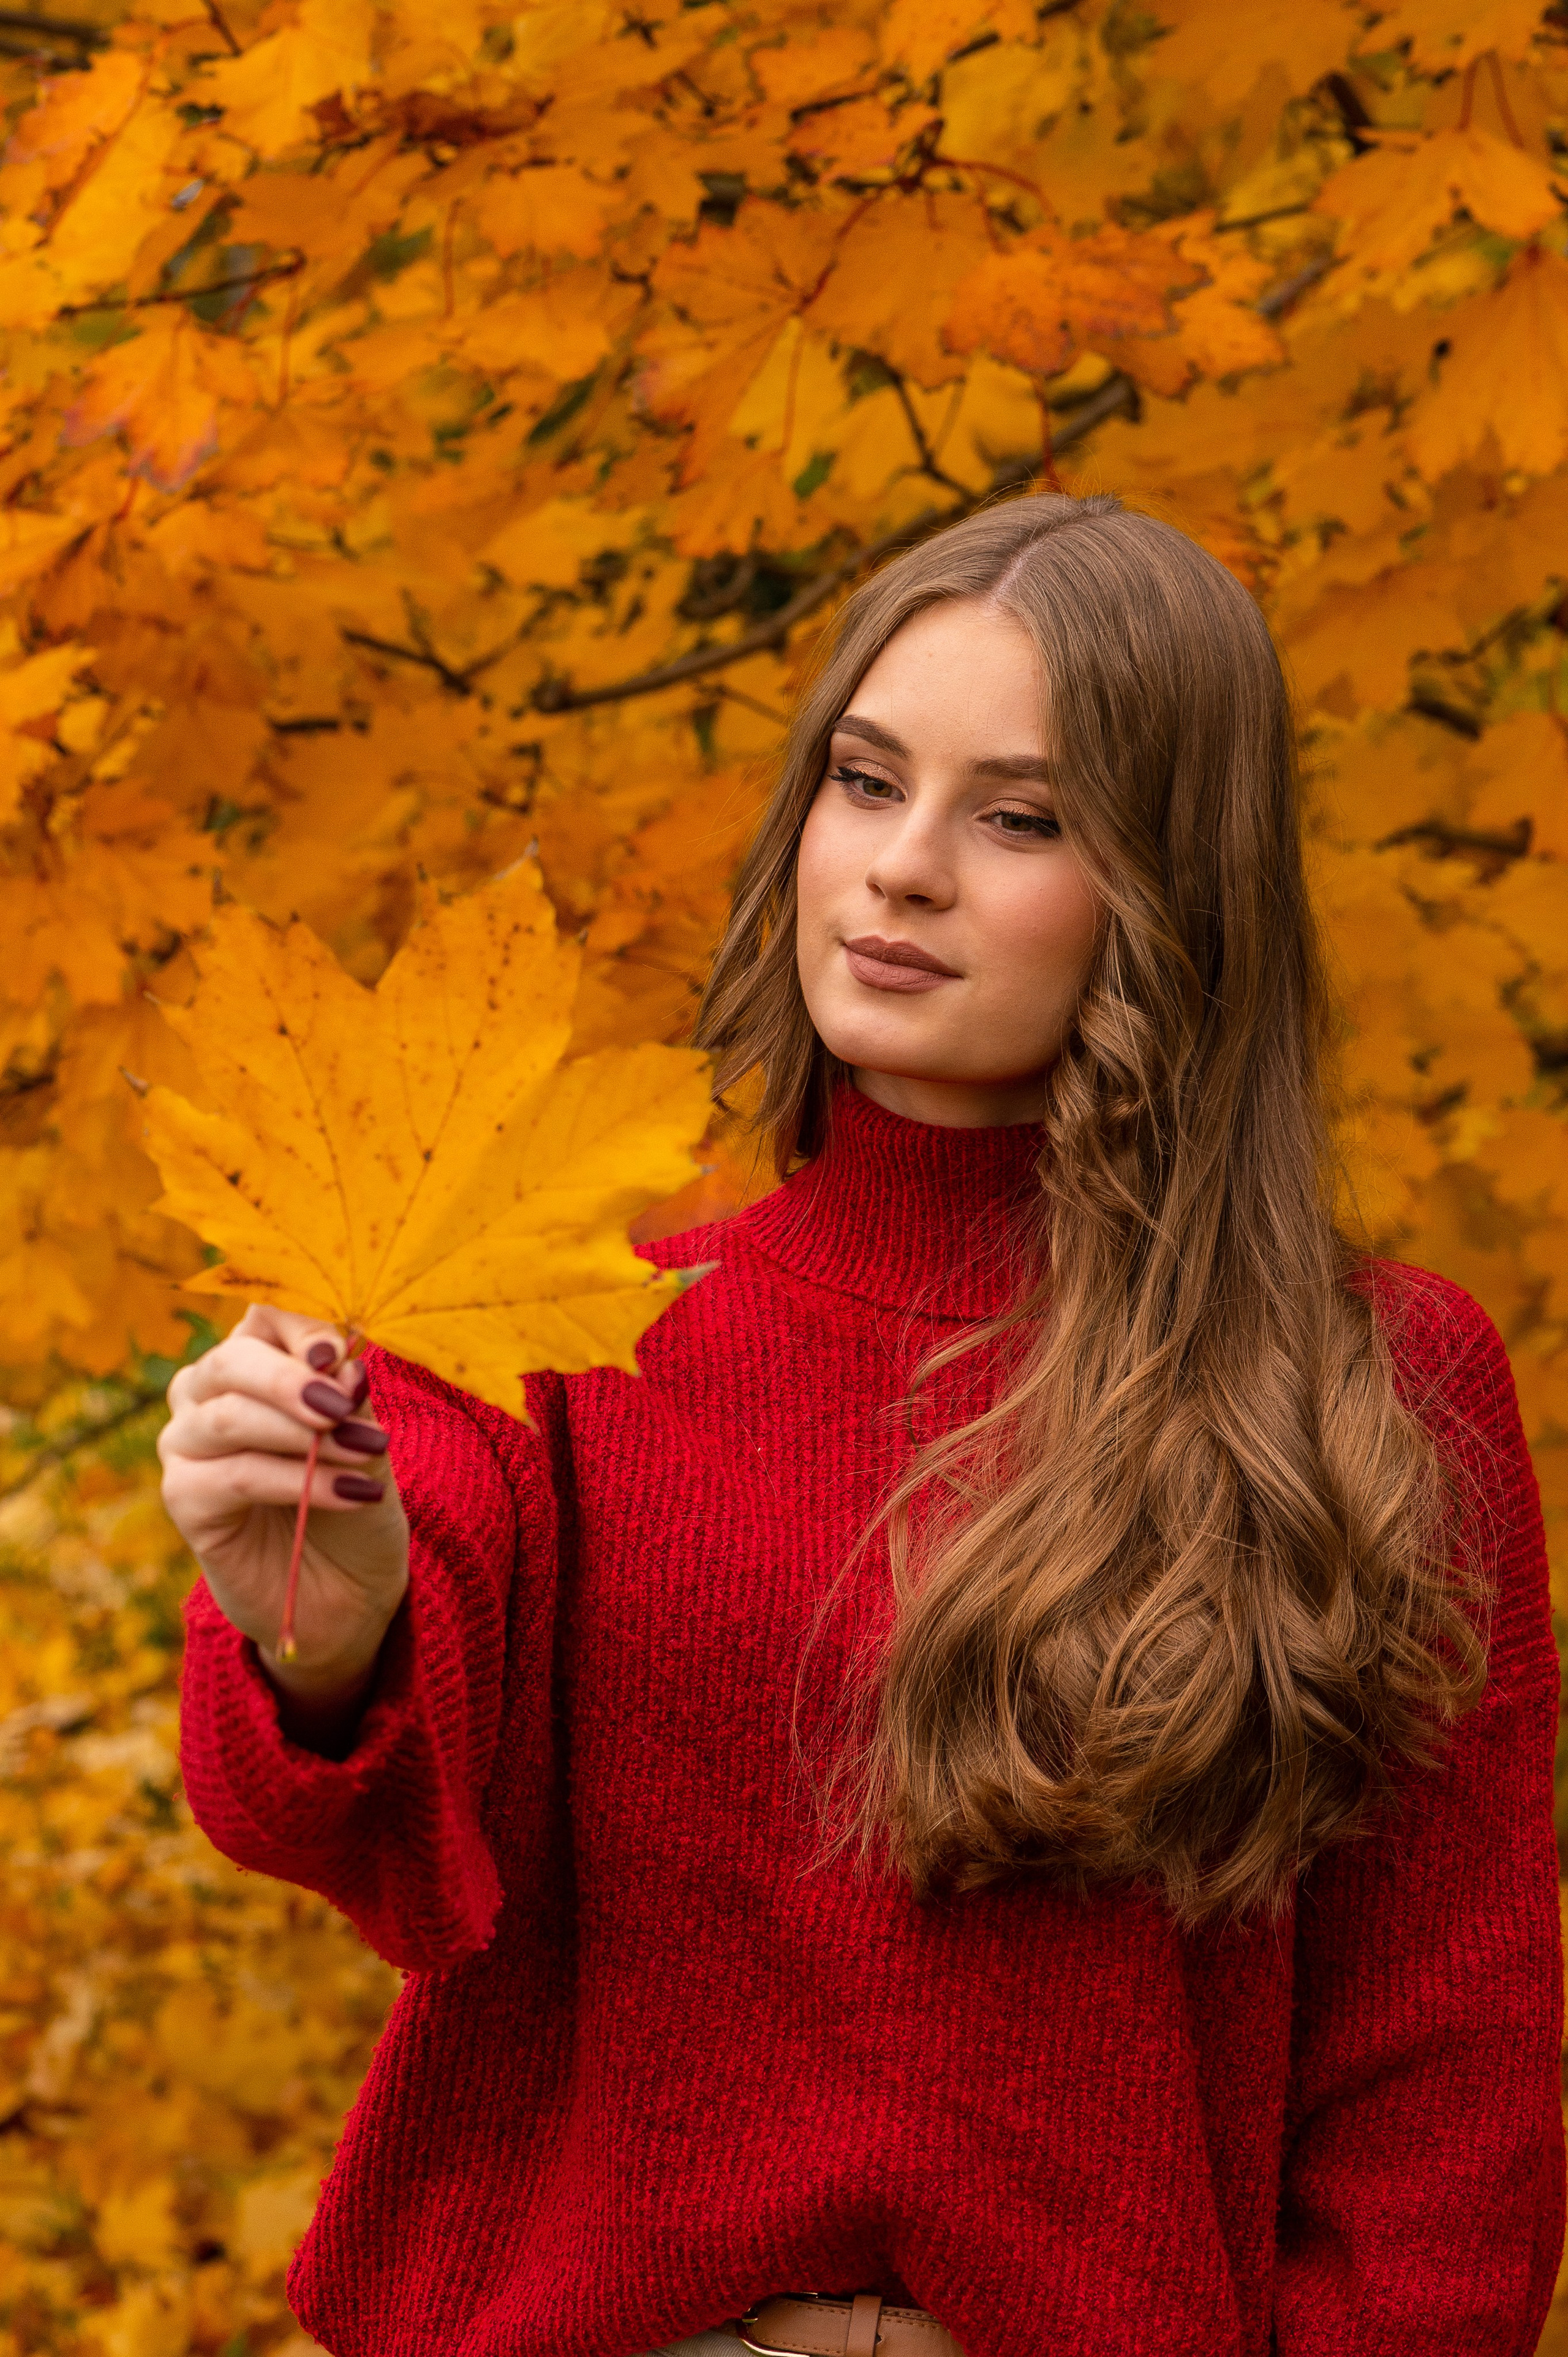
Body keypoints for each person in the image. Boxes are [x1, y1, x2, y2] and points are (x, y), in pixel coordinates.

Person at [160, 494, 1563, 2357]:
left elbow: (1444, 2102)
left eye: (1019, 819)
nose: (901, 869)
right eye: (866, 780)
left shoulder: (1369, 1383)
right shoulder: (565, 1329)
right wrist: (325, 1634)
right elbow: (337, 1809)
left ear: (1175, 887)